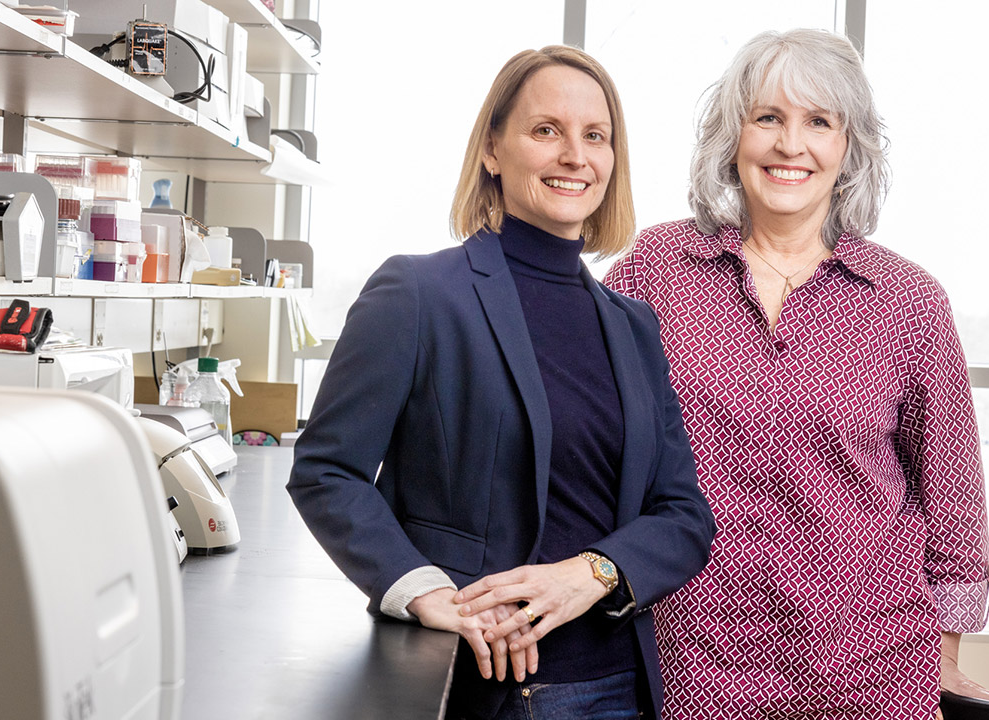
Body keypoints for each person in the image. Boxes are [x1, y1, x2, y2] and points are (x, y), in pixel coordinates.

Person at [287, 45, 715, 720]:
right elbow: (325, 470)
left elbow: (684, 516)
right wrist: (422, 589)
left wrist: (590, 572)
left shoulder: (633, 326)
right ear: (493, 148)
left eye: (595, 136)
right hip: (487, 690)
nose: (575, 155)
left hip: (619, 689)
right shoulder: (419, 294)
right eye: (547, 130)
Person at [605, 28, 989, 719]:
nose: (790, 145)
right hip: (692, 666)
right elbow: (582, 416)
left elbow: (952, 500)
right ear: (732, 136)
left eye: (818, 122)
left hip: (867, 673)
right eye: (767, 117)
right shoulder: (657, 269)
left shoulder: (910, 302)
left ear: (848, 146)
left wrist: (943, 660)